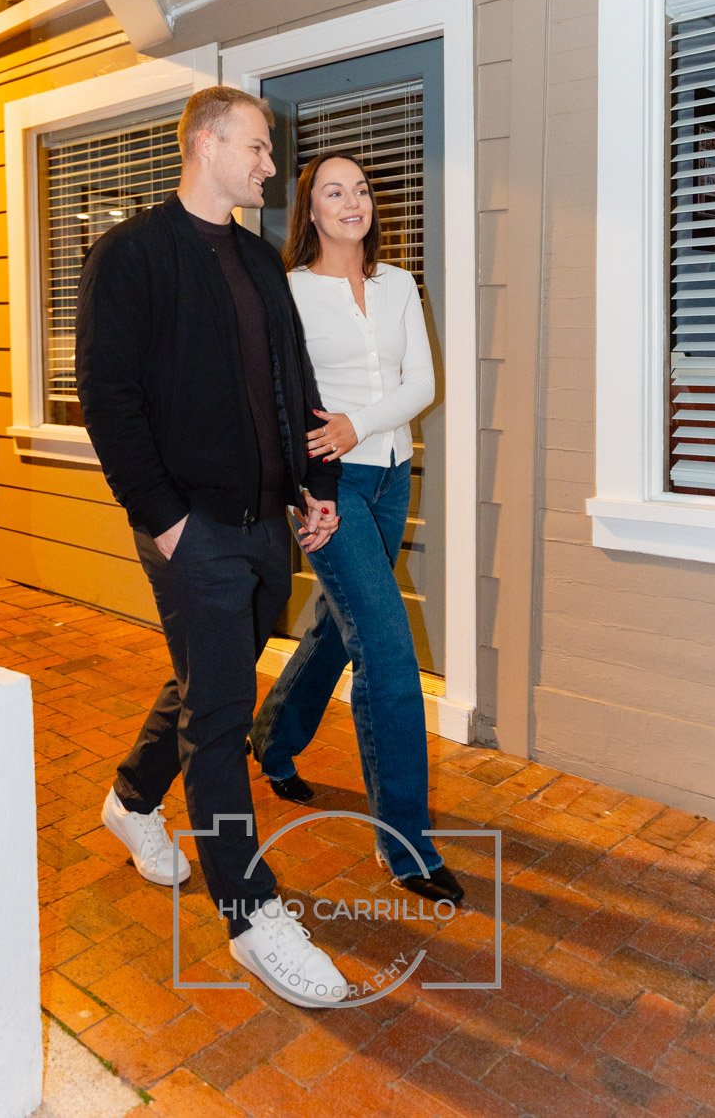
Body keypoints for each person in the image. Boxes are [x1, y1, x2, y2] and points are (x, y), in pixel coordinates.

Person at [75, 86, 349, 1007]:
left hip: (266, 521)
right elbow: (109, 399)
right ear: (206, 143)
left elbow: (292, 380)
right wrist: (165, 518)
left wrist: (318, 489)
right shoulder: (131, 257)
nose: (273, 166)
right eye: (261, 148)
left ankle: (131, 799)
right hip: (189, 525)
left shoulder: (261, 263)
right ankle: (250, 916)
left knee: (211, 676)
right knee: (225, 715)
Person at [248, 152, 464, 906]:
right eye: (334, 191)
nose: (352, 201)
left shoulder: (397, 283)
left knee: (341, 631)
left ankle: (272, 739)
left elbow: (423, 384)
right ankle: (407, 845)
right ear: (309, 208)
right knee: (388, 650)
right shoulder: (289, 292)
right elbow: (278, 399)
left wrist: (358, 424)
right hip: (328, 492)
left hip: (390, 475)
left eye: (362, 189)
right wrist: (307, 486)